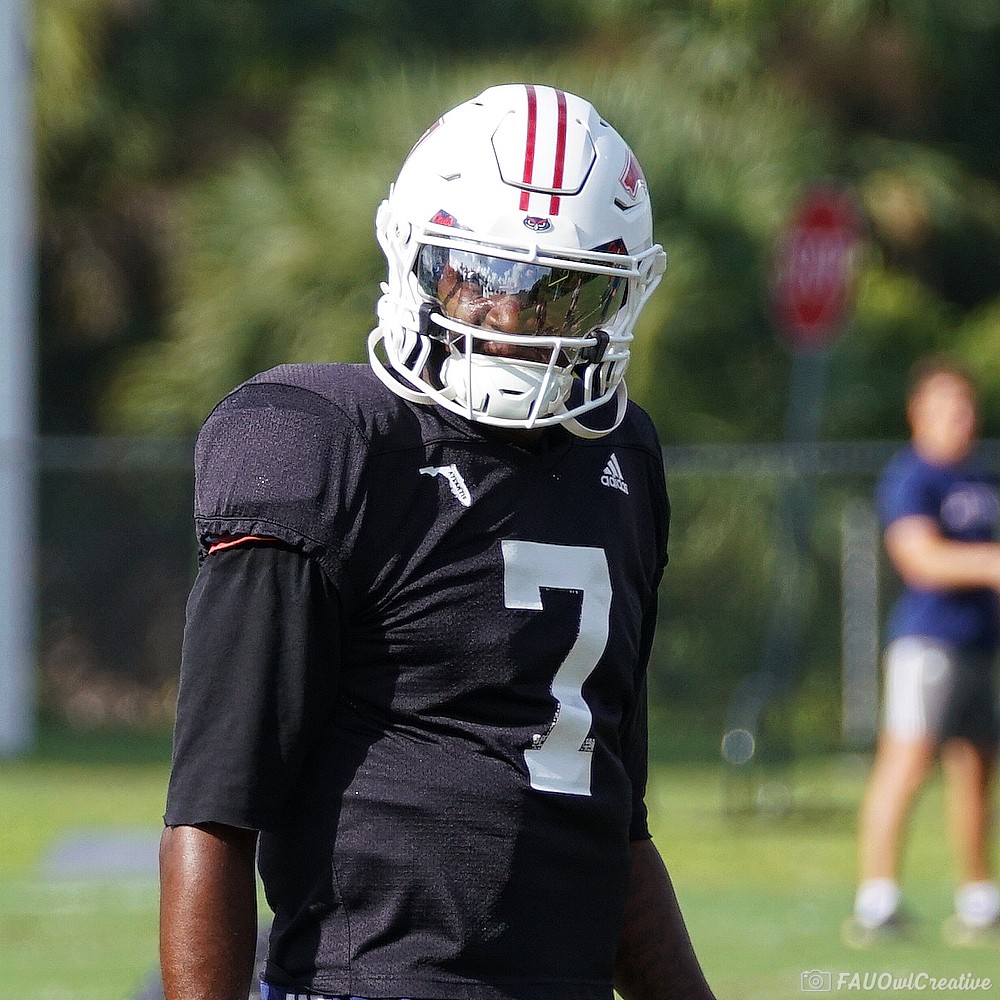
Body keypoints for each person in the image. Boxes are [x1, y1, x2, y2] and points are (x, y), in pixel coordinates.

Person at [158, 84, 718, 1000]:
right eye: (481, 274)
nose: (511, 317)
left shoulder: (621, 462)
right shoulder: (323, 444)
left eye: (559, 291)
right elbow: (212, 814)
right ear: (415, 257)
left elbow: (612, 813)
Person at [845, 356, 1000, 946]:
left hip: (978, 646)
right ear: (918, 414)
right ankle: (878, 898)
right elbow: (921, 559)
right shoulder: (912, 477)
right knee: (905, 766)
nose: (958, 419)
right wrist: (989, 564)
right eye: (944, 407)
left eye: (965, 407)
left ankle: (980, 898)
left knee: (977, 769)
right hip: (927, 647)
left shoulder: (980, 476)